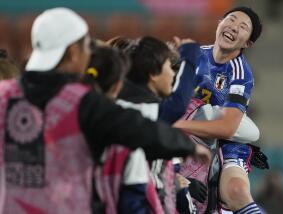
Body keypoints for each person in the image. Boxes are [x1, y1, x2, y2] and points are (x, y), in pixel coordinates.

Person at [0, 7, 209, 213]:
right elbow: (135, 128)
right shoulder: (80, 101)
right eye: (86, 48)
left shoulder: (3, 93)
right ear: (73, 52)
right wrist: (185, 146)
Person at [174, 6, 268, 214]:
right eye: (231, 20)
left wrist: (178, 123)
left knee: (237, 191)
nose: (234, 27)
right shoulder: (192, 55)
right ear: (219, 23)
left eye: (243, 27)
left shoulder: (241, 74)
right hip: (184, 134)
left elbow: (227, 128)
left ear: (248, 43)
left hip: (224, 142)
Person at [117, 36, 201, 213]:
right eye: (168, 67)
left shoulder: (120, 106)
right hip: (139, 203)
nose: (172, 73)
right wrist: (190, 53)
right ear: (154, 74)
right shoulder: (141, 111)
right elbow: (178, 103)